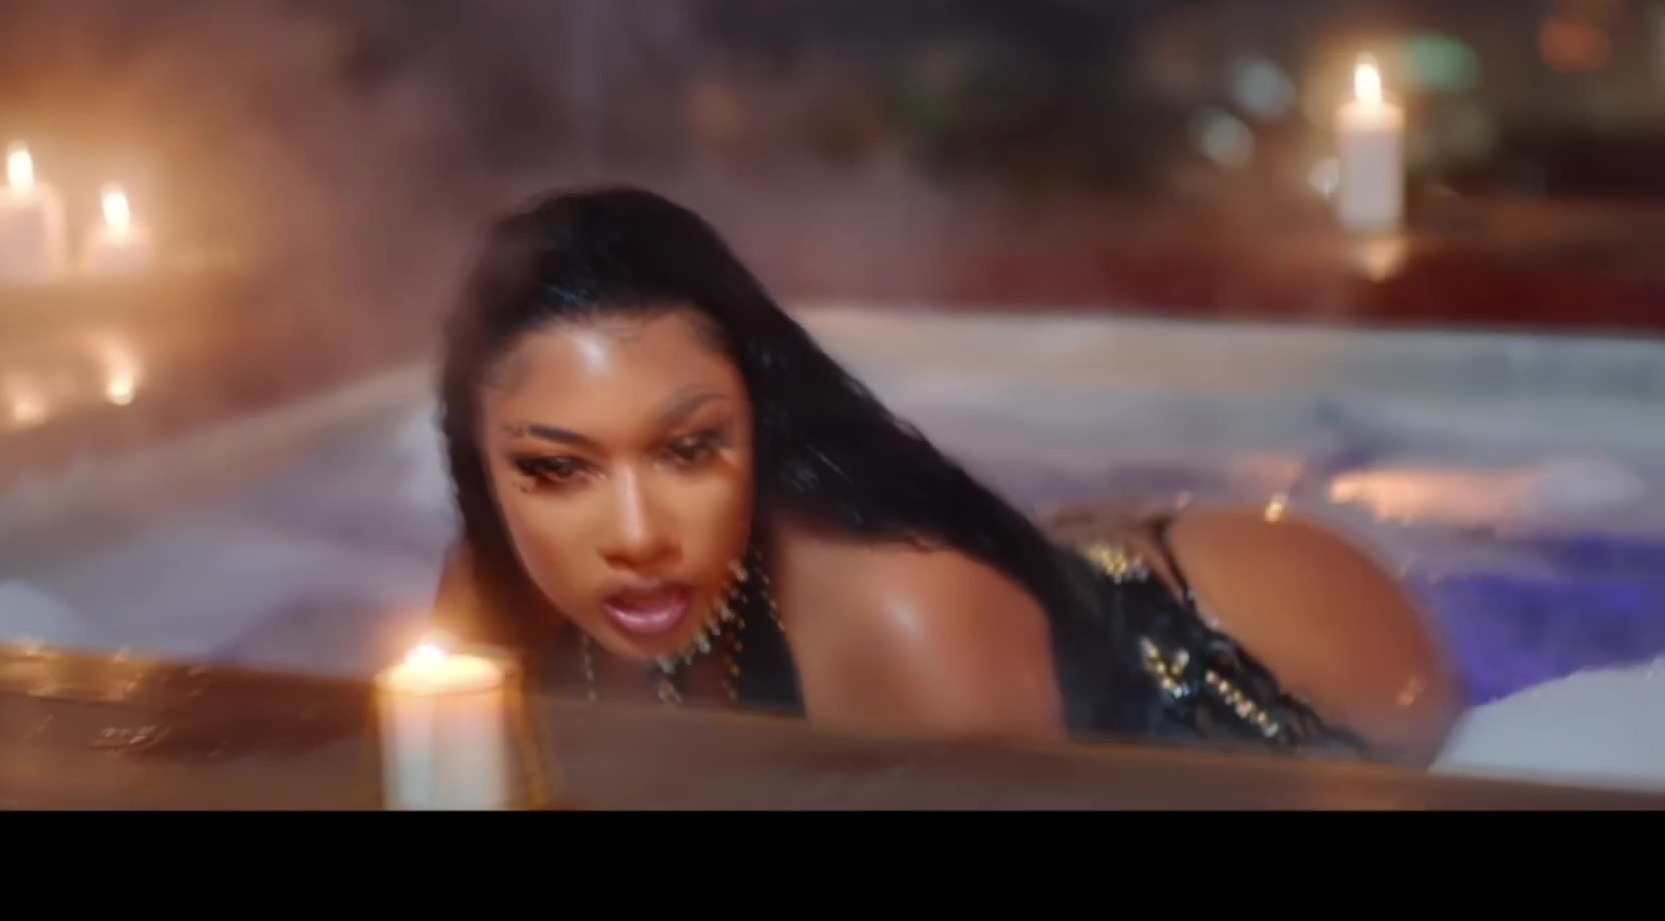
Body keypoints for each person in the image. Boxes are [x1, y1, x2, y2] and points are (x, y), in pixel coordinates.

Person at [428, 186, 1462, 766]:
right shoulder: (489, 611)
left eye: (690, 449)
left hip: (1264, 661)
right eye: (557, 470)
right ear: (483, 471)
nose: (637, 533)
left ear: (760, 422)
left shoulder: (899, 630)